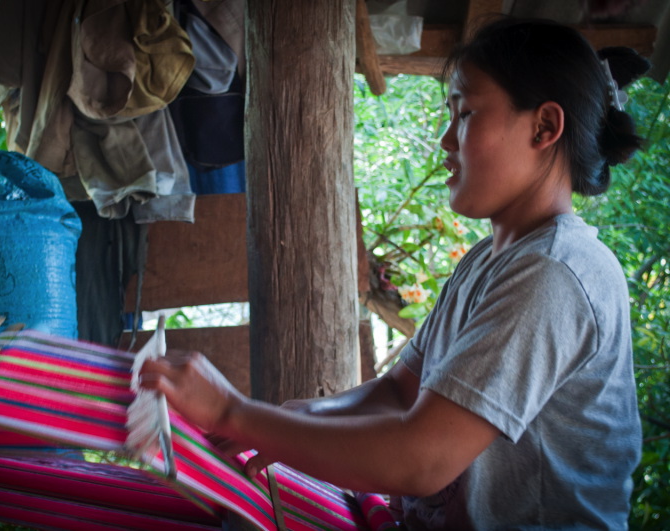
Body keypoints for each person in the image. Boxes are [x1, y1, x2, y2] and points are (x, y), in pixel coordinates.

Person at [140, 17, 649, 530]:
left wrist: (234, 414)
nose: (446, 140)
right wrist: (280, 422)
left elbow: (421, 459)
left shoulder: (555, 274)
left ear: (544, 127)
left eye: (466, 114)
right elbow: (397, 393)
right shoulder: (489, 261)